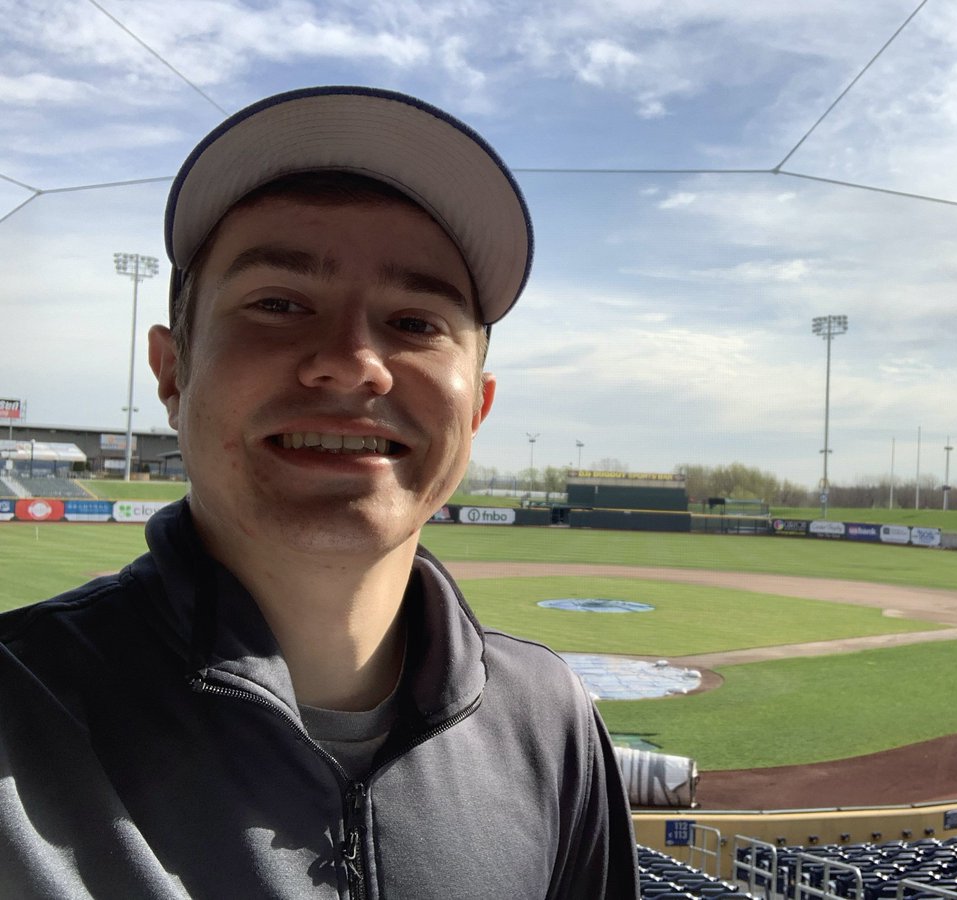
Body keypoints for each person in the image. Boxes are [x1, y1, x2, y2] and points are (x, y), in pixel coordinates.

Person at [0, 86, 639, 899]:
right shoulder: (17, 719)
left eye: (414, 321)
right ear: (171, 372)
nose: (352, 361)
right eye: (278, 303)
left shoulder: (551, 722)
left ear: (475, 408)